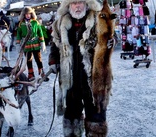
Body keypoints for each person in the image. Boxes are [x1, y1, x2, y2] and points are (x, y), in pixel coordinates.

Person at [48, 0, 113, 136]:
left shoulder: (97, 19)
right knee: (71, 114)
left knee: (96, 113)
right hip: (70, 78)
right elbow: (55, 44)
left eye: (80, 2)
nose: (77, 6)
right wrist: (53, 61)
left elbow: (109, 36)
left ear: (87, 4)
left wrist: (111, 42)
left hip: (93, 79)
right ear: (68, 6)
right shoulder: (61, 23)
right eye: (73, 3)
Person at [16, 6, 48, 81]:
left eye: (29, 14)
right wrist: (18, 44)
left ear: (31, 14)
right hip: (26, 45)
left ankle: (41, 73)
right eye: (26, 14)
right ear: (24, 15)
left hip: (36, 44)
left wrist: (42, 42)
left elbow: (40, 32)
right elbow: (18, 34)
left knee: (38, 59)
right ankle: (31, 75)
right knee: (28, 60)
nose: (28, 15)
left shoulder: (35, 22)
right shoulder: (21, 24)